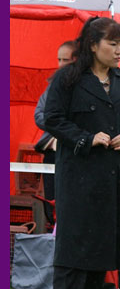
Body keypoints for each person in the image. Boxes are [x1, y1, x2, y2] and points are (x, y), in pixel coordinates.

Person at [42, 16, 120, 289]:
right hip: (78, 175)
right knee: (74, 244)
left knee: (103, 244)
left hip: (116, 176)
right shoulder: (67, 80)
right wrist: (86, 138)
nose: (119, 51)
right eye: (112, 44)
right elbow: (52, 120)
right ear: (92, 45)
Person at [34, 40, 77, 225]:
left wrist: (65, 131)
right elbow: (39, 115)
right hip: (52, 154)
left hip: (76, 153)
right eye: (59, 59)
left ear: (77, 60)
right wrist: (60, 127)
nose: (60, 64)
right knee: (52, 201)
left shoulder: (87, 86)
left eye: (65, 60)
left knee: (73, 203)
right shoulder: (52, 86)